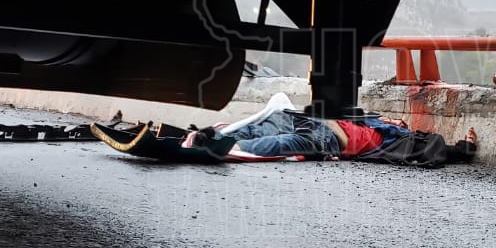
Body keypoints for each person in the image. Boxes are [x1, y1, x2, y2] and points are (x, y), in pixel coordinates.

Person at [190, 109, 477, 167]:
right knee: (270, 122)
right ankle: (213, 135)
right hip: (312, 118)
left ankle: (229, 145)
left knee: (287, 142)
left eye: (400, 123)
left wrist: (464, 148)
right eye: (395, 121)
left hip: (330, 137)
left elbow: (432, 149)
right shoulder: (370, 118)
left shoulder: (398, 139)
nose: (396, 121)